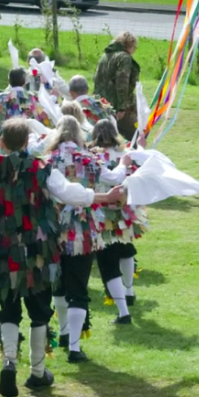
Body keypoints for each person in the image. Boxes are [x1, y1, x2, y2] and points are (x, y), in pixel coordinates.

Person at [0, 119, 125, 397]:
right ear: (26, 143)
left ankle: (9, 362)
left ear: (1, 142)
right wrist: (105, 196)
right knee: (39, 310)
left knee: (8, 309)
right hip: (37, 253)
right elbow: (71, 194)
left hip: (0, 255)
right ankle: (37, 372)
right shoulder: (41, 170)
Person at [46, 117, 129, 362]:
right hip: (83, 229)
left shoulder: (48, 160)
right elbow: (114, 179)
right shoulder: (88, 158)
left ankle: (62, 332)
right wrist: (124, 163)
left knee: (59, 284)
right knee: (78, 288)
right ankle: (73, 347)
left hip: (53, 228)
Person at [90, 119, 147, 319]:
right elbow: (141, 163)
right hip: (124, 212)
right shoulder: (125, 154)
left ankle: (123, 312)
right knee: (125, 248)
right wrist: (141, 144)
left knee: (108, 260)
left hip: (100, 213)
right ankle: (129, 290)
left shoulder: (91, 157)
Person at [0, 67, 52, 152]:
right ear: (25, 81)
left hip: (5, 137)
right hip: (23, 137)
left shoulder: (1, 97)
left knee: (4, 161)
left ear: (9, 81)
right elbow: (40, 115)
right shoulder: (31, 98)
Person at [94, 31, 141, 140]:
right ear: (129, 45)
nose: (134, 50)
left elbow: (96, 80)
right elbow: (122, 83)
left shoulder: (105, 56)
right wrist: (121, 108)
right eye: (135, 47)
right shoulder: (124, 58)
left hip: (101, 103)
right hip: (116, 106)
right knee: (139, 131)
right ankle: (132, 154)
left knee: (111, 134)